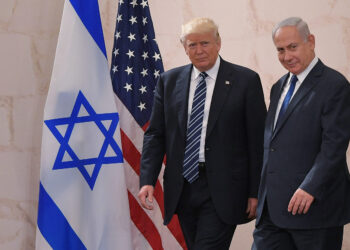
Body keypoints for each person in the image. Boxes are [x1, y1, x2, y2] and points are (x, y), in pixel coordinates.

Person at [138, 17, 266, 249]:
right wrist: (147, 179)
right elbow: (156, 135)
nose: (199, 50)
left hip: (225, 188)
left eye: (205, 43)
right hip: (183, 186)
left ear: (218, 43)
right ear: (184, 48)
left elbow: (257, 142)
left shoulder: (246, 81)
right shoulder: (169, 81)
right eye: (192, 45)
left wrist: (255, 191)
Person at [253, 17, 350, 250]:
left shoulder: (335, 85)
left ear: (311, 41)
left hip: (315, 209)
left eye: (293, 47)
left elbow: (334, 146)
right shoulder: (278, 87)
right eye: (280, 50)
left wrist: (310, 187)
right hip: (272, 211)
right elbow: (273, 145)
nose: (287, 56)